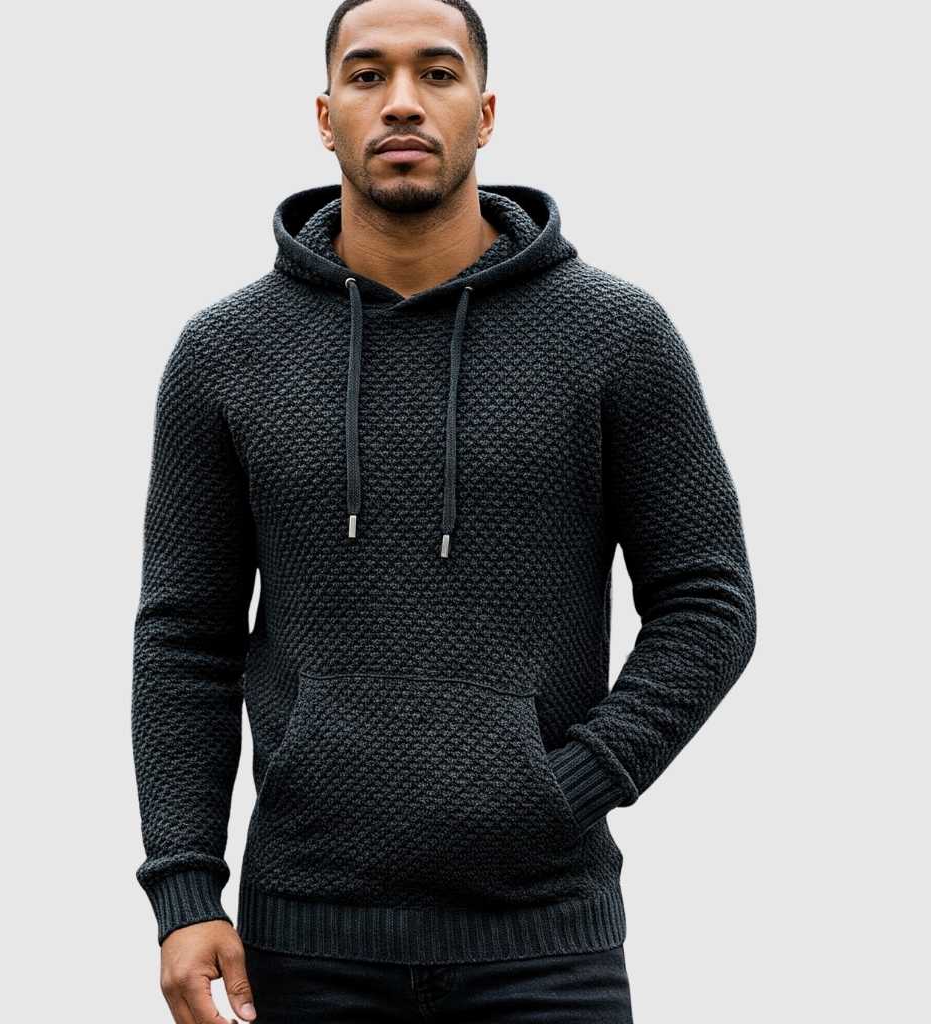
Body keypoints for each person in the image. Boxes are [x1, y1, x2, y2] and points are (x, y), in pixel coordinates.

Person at [130, 0, 758, 1020]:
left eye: (437, 72)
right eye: (367, 75)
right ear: (325, 116)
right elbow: (184, 637)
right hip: (305, 943)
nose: (402, 103)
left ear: (486, 111)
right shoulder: (225, 354)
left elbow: (709, 600)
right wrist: (184, 888)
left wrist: (576, 781)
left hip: (546, 946)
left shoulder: (614, 336)